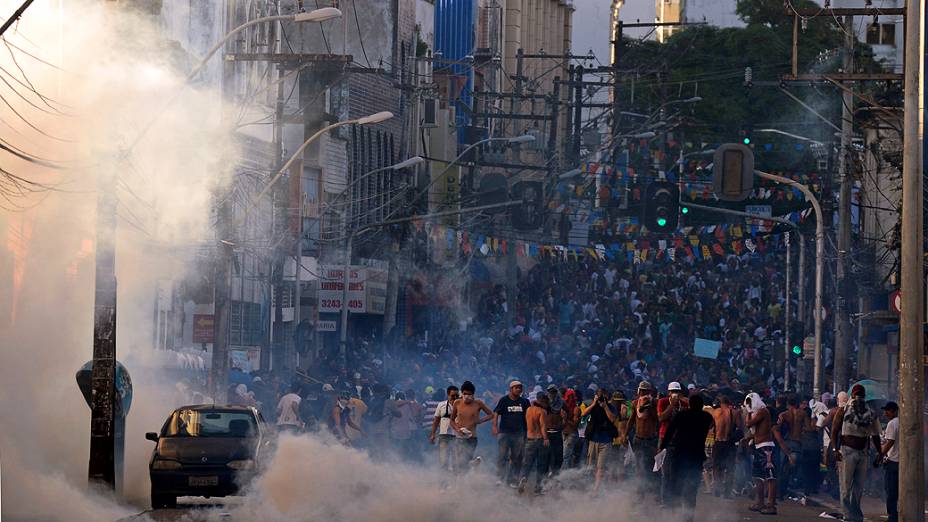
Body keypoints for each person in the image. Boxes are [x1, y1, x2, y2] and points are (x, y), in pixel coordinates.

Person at [830, 384, 882, 522]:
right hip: (847, 451)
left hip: (863, 452)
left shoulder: (870, 412)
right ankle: (848, 515)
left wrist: (880, 453)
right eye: (856, 393)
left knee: (858, 487)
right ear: (853, 396)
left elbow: (875, 434)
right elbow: (834, 430)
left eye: (860, 394)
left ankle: (856, 516)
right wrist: (835, 449)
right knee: (846, 487)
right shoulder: (843, 410)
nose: (858, 396)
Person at [660, 394, 715, 521]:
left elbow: (669, 431)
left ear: (690, 404)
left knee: (676, 485)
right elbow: (711, 423)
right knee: (692, 489)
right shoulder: (706, 417)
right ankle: (688, 517)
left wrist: (663, 446)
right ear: (701, 406)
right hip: (696, 457)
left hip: (680, 455)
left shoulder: (681, 415)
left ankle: (675, 515)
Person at [742, 391, 785, 515]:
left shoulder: (762, 411)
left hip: (766, 447)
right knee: (758, 476)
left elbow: (748, 423)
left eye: (750, 403)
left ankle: (771, 505)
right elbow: (754, 431)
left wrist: (749, 412)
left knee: (770, 477)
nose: (748, 406)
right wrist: (747, 439)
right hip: (758, 447)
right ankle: (760, 502)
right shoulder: (758, 412)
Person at [622, 381, 659, 493]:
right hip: (638, 438)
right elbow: (631, 419)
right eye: (641, 390)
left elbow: (657, 419)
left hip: (651, 439)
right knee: (639, 465)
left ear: (649, 392)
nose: (643, 393)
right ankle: (640, 490)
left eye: (645, 391)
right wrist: (625, 434)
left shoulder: (655, 403)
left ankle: (653, 489)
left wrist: (650, 406)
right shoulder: (635, 403)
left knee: (652, 465)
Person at [449, 380, 493, 473]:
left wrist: (480, 421)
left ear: (473, 394)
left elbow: (491, 414)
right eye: (465, 393)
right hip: (460, 437)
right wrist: (457, 429)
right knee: (459, 461)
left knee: (465, 459)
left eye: (469, 394)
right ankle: (470, 467)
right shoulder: (457, 402)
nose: (467, 396)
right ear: (462, 393)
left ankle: (470, 466)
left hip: (472, 437)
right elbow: (451, 420)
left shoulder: (478, 403)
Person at [493, 381, 531, 487]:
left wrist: (528, 431)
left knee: (517, 458)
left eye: (520, 388)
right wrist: (495, 426)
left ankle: (513, 480)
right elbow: (496, 412)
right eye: (516, 388)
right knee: (502, 456)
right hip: (504, 433)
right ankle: (500, 478)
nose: (519, 389)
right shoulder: (504, 400)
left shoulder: (525, 402)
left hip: (519, 434)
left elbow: (529, 416)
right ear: (511, 389)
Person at [658, 382, 689, 504]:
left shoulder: (685, 404)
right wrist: (671, 405)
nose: (675, 394)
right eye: (673, 392)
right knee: (666, 472)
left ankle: (675, 498)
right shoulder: (663, 402)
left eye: (677, 392)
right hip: (665, 439)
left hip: (679, 441)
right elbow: (661, 418)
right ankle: (665, 500)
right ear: (669, 392)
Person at [584, 388, 618, 495]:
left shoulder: (611, 407)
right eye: (600, 396)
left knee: (601, 467)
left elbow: (612, 419)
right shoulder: (594, 406)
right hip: (593, 440)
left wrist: (605, 407)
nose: (602, 398)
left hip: (605, 440)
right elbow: (583, 414)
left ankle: (596, 489)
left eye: (604, 396)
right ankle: (592, 485)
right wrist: (594, 403)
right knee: (591, 465)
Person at [518, 392, 550, 494]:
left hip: (529, 439)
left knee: (527, 463)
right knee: (541, 465)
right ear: (543, 401)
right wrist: (546, 438)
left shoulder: (528, 410)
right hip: (539, 439)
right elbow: (543, 426)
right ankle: (538, 487)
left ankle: (523, 478)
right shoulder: (542, 411)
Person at [775, 395, 804, 499]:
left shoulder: (783, 415)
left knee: (783, 468)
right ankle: (786, 488)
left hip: (786, 443)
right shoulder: (802, 414)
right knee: (792, 468)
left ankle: (781, 492)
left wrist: (780, 441)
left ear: (788, 404)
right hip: (797, 443)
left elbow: (776, 428)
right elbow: (808, 428)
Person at [710, 394, 739, 497]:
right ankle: (727, 492)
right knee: (730, 468)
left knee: (716, 467)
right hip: (729, 443)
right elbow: (739, 428)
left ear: (720, 403)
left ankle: (717, 489)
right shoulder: (734, 413)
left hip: (718, 442)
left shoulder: (715, 412)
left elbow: (710, 426)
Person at [429, 385, 460, 472]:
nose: (455, 397)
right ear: (448, 395)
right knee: (443, 461)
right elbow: (436, 421)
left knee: (456, 462)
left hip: (456, 437)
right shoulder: (441, 405)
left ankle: (455, 483)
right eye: (452, 395)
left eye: (456, 396)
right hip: (443, 436)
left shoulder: (461, 406)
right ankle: (444, 483)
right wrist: (432, 434)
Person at [879, 401, 899, 522]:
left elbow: (890, 442)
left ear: (894, 411)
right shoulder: (902, 422)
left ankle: (892, 516)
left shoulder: (892, 423)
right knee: (896, 491)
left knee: (890, 491)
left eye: (888, 410)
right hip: (900, 461)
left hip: (892, 461)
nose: (885, 413)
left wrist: (880, 454)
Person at [544, 384, 565, 477]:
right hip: (547, 432)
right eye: (550, 392)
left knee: (558, 455)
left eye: (554, 392)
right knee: (546, 455)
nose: (552, 394)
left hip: (557, 431)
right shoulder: (544, 403)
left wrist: (563, 422)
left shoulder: (562, 402)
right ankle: (545, 474)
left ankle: (555, 473)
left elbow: (567, 414)